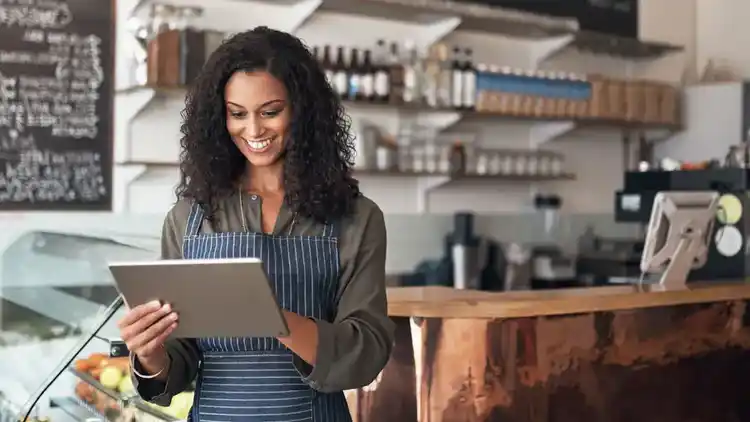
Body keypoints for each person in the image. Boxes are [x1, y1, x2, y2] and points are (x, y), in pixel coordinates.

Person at [116, 26, 395, 422]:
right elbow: (181, 360)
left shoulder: (356, 218)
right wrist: (149, 352)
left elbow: (368, 349)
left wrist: (272, 317)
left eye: (270, 112)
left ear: (302, 110)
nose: (253, 130)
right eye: (237, 114)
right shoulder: (188, 218)